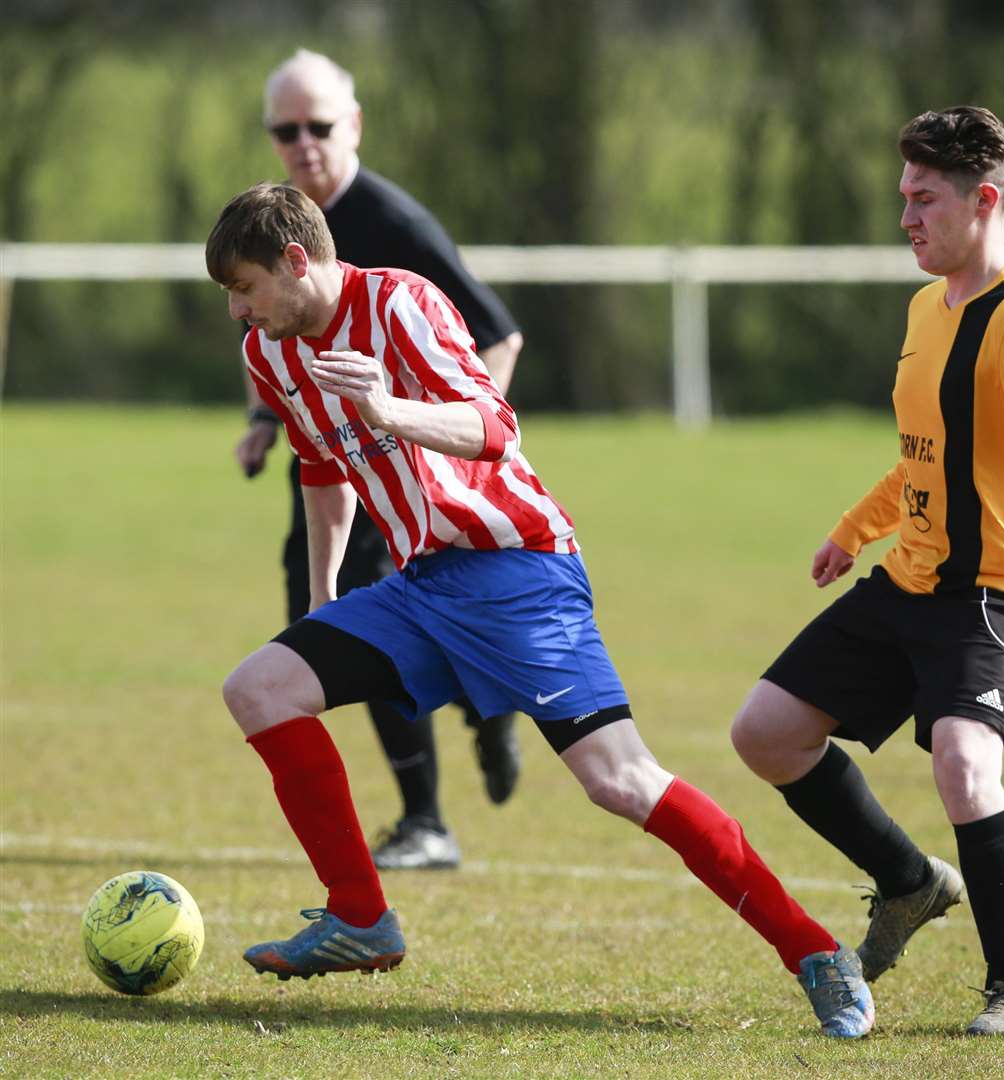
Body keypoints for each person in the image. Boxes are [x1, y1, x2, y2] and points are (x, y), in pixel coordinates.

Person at [205, 182, 875, 1038]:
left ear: (297, 261)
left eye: (245, 287)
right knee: (260, 687)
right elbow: (323, 467)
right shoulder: (275, 353)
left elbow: (494, 427)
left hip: (517, 572)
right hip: (418, 587)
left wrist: (384, 407)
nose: (237, 310)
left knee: (620, 781)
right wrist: (322, 598)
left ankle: (815, 951)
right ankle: (360, 921)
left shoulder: (402, 303)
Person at [730, 106, 1004, 1036]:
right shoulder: (925, 307)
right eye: (902, 197)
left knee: (966, 768)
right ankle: (907, 882)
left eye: (923, 199)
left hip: (989, 595)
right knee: (765, 733)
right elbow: (926, 454)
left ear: (984, 200)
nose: (905, 218)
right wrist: (856, 528)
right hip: (908, 583)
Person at [234, 49, 525, 871]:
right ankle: (474, 713)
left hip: (401, 473)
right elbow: (268, 337)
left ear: (352, 124)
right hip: (327, 468)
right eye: (284, 130)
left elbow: (498, 337)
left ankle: (428, 814)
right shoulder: (275, 224)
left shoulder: (395, 225)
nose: (302, 143)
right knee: (319, 617)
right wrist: (263, 419)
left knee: (369, 625)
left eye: (318, 126)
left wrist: (454, 453)